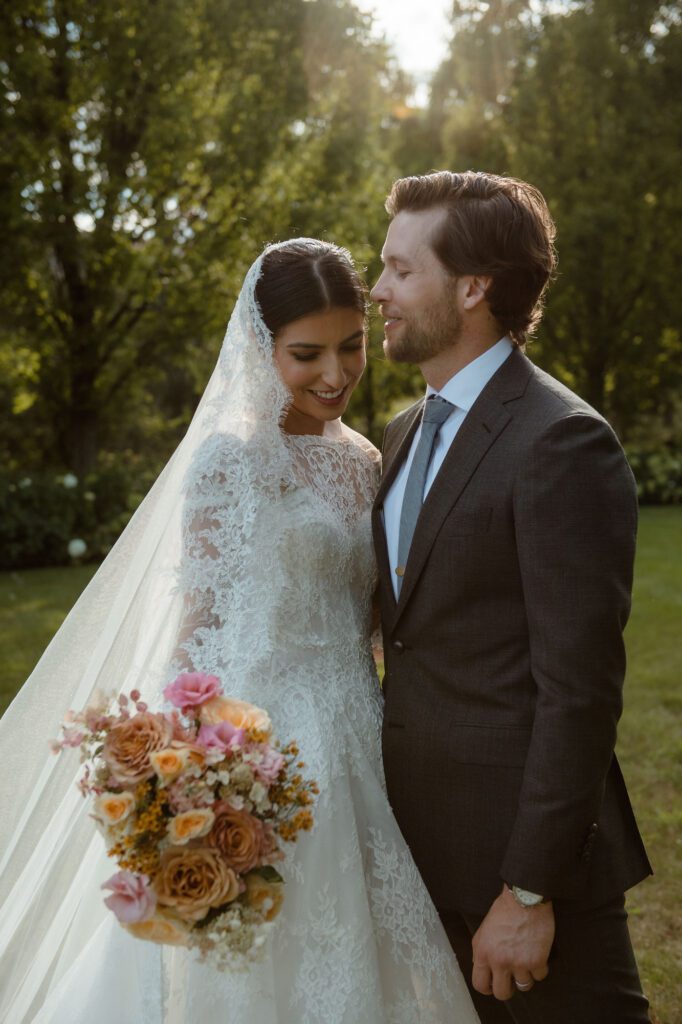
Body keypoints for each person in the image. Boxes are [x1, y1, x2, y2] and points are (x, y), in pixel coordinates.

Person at [0, 238, 479, 1023]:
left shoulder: (364, 458)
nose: (335, 373)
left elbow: (376, 613)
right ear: (262, 347)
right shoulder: (230, 462)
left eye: (352, 346)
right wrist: (186, 774)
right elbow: (201, 625)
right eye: (307, 353)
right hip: (265, 747)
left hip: (361, 732)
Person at [370, 171, 653, 1024]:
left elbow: (580, 693)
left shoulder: (560, 441)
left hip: (524, 873)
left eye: (399, 269)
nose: (376, 290)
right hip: (419, 854)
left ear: (473, 287)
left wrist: (528, 890)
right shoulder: (403, 430)